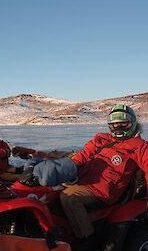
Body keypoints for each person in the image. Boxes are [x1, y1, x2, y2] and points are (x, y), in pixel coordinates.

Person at [22, 104, 148, 251]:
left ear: (132, 123)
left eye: (123, 123)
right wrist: (57, 170)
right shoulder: (102, 140)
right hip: (85, 181)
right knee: (47, 191)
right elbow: (81, 158)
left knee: (69, 198)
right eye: (114, 123)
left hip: (104, 191)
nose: (118, 126)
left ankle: (86, 238)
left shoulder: (140, 146)